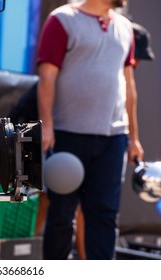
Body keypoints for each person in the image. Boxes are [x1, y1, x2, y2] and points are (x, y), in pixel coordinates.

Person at [37, 0, 143, 260]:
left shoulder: (125, 27)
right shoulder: (62, 19)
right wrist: (47, 126)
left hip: (113, 139)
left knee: (105, 217)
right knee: (61, 215)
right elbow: (47, 76)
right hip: (67, 135)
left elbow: (128, 85)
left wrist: (134, 139)